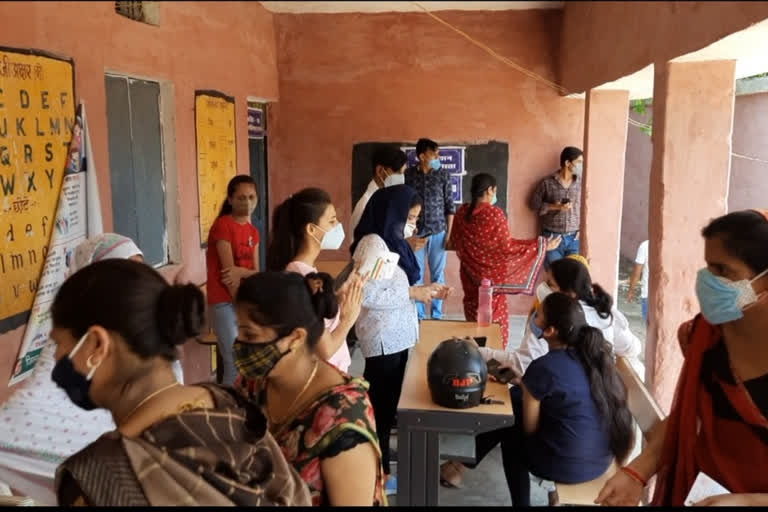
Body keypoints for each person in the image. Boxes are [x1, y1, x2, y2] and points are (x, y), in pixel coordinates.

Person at [50, 259, 310, 506]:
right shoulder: (233, 406)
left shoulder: (98, 478)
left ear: (96, 344)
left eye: (59, 344)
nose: (56, 357)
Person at [596, 209, 768, 507]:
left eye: (723, 270)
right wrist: (637, 472)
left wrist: (749, 502)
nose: (708, 281)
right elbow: (688, 418)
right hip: (697, 495)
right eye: (708, 268)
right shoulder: (707, 335)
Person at [443, 293, 635, 505]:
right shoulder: (598, 359)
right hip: (600, 461)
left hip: (566, 466)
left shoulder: (545, 366)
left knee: (510, 427)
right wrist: (525, 383)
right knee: (516, 398)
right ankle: (457, 466)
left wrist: (527, 389)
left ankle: (517, 501)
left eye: (538, 315)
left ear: (550, 331)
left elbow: (530, 429)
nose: (533, 317)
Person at [232, 271, 385, 506]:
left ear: (295, 337)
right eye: (240, 331)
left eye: (250, 334)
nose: (240, 343)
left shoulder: (343, 420)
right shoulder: (254, 383)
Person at [350, 184, 452, 494]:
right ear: (390, 213)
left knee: (388, 405)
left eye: (416, 218)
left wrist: (425, 292)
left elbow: (392, 286)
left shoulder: (390, 242)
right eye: (409, 217)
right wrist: (412, 292)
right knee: (380, 409)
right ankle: (377, 475)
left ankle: (380, 464)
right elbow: (365, 293)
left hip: (395, 336)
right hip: (382, 340)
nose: (412, 224)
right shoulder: (372, 246)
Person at [449, 173, 560, 347]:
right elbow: (507, 247)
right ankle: (493, 354)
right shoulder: (494, 214)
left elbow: (455, 242)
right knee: (494, 322)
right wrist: (542, 245)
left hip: (469, 276)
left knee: (474, 316)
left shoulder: (462, 212)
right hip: (490, 282)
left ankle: (473, 349)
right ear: (489, 190)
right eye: (495, 191)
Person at [267, 187, 364, 374]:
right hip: (323, 378)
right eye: (332, 221)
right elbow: (325, 349)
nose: (338, 226)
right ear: (311, 229)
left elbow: (317, 317)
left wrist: (337, 300)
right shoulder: (301, 277)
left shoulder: (305, 270)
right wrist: (349, 318)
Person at [206, 175, 260, 386]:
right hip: (225, 302)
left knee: (246, 360)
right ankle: (229, 410)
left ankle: (240, 406)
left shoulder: (253, 232)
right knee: (234, 363)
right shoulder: (223, 226)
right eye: (241, 197)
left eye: (252, 197)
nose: (247, 203)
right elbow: (228, 276)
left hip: (243, 302)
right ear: (230, 200)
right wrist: (240, 307)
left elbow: (256, 272)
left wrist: (241, 271)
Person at [404, 138, 455, 320]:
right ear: (422, 156)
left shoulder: (443, 175)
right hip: (415, 233)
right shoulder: (409, 175)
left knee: (437, 275)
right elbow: (404, 205)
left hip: (438, 233)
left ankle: (436, 315)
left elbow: (450, 207)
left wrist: (449, 235)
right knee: (416, 274)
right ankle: (418, 316)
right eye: (434, 154)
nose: (437, 157)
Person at [529, 146, 584, 268]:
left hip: (574, 238)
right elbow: (533, 205)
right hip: (552, 238)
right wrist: (555, 206)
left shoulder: (581, 183)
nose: (581, 166)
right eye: (579, 162)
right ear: (567, 163)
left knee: (572, 278)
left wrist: (581, 231)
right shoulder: (547, 183)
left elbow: (584, 207)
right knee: (556, 277)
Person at [350, 145, 409, 232]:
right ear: (380, 170)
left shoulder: (389, 197)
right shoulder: (365, 207)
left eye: (403, 173)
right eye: (398, 173)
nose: (402, 177)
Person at [627, 239, 650, 324]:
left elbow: (637, 272)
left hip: (648, 294)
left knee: (649, 328)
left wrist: (631, 291)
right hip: (664, 296)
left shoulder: (645, 246)